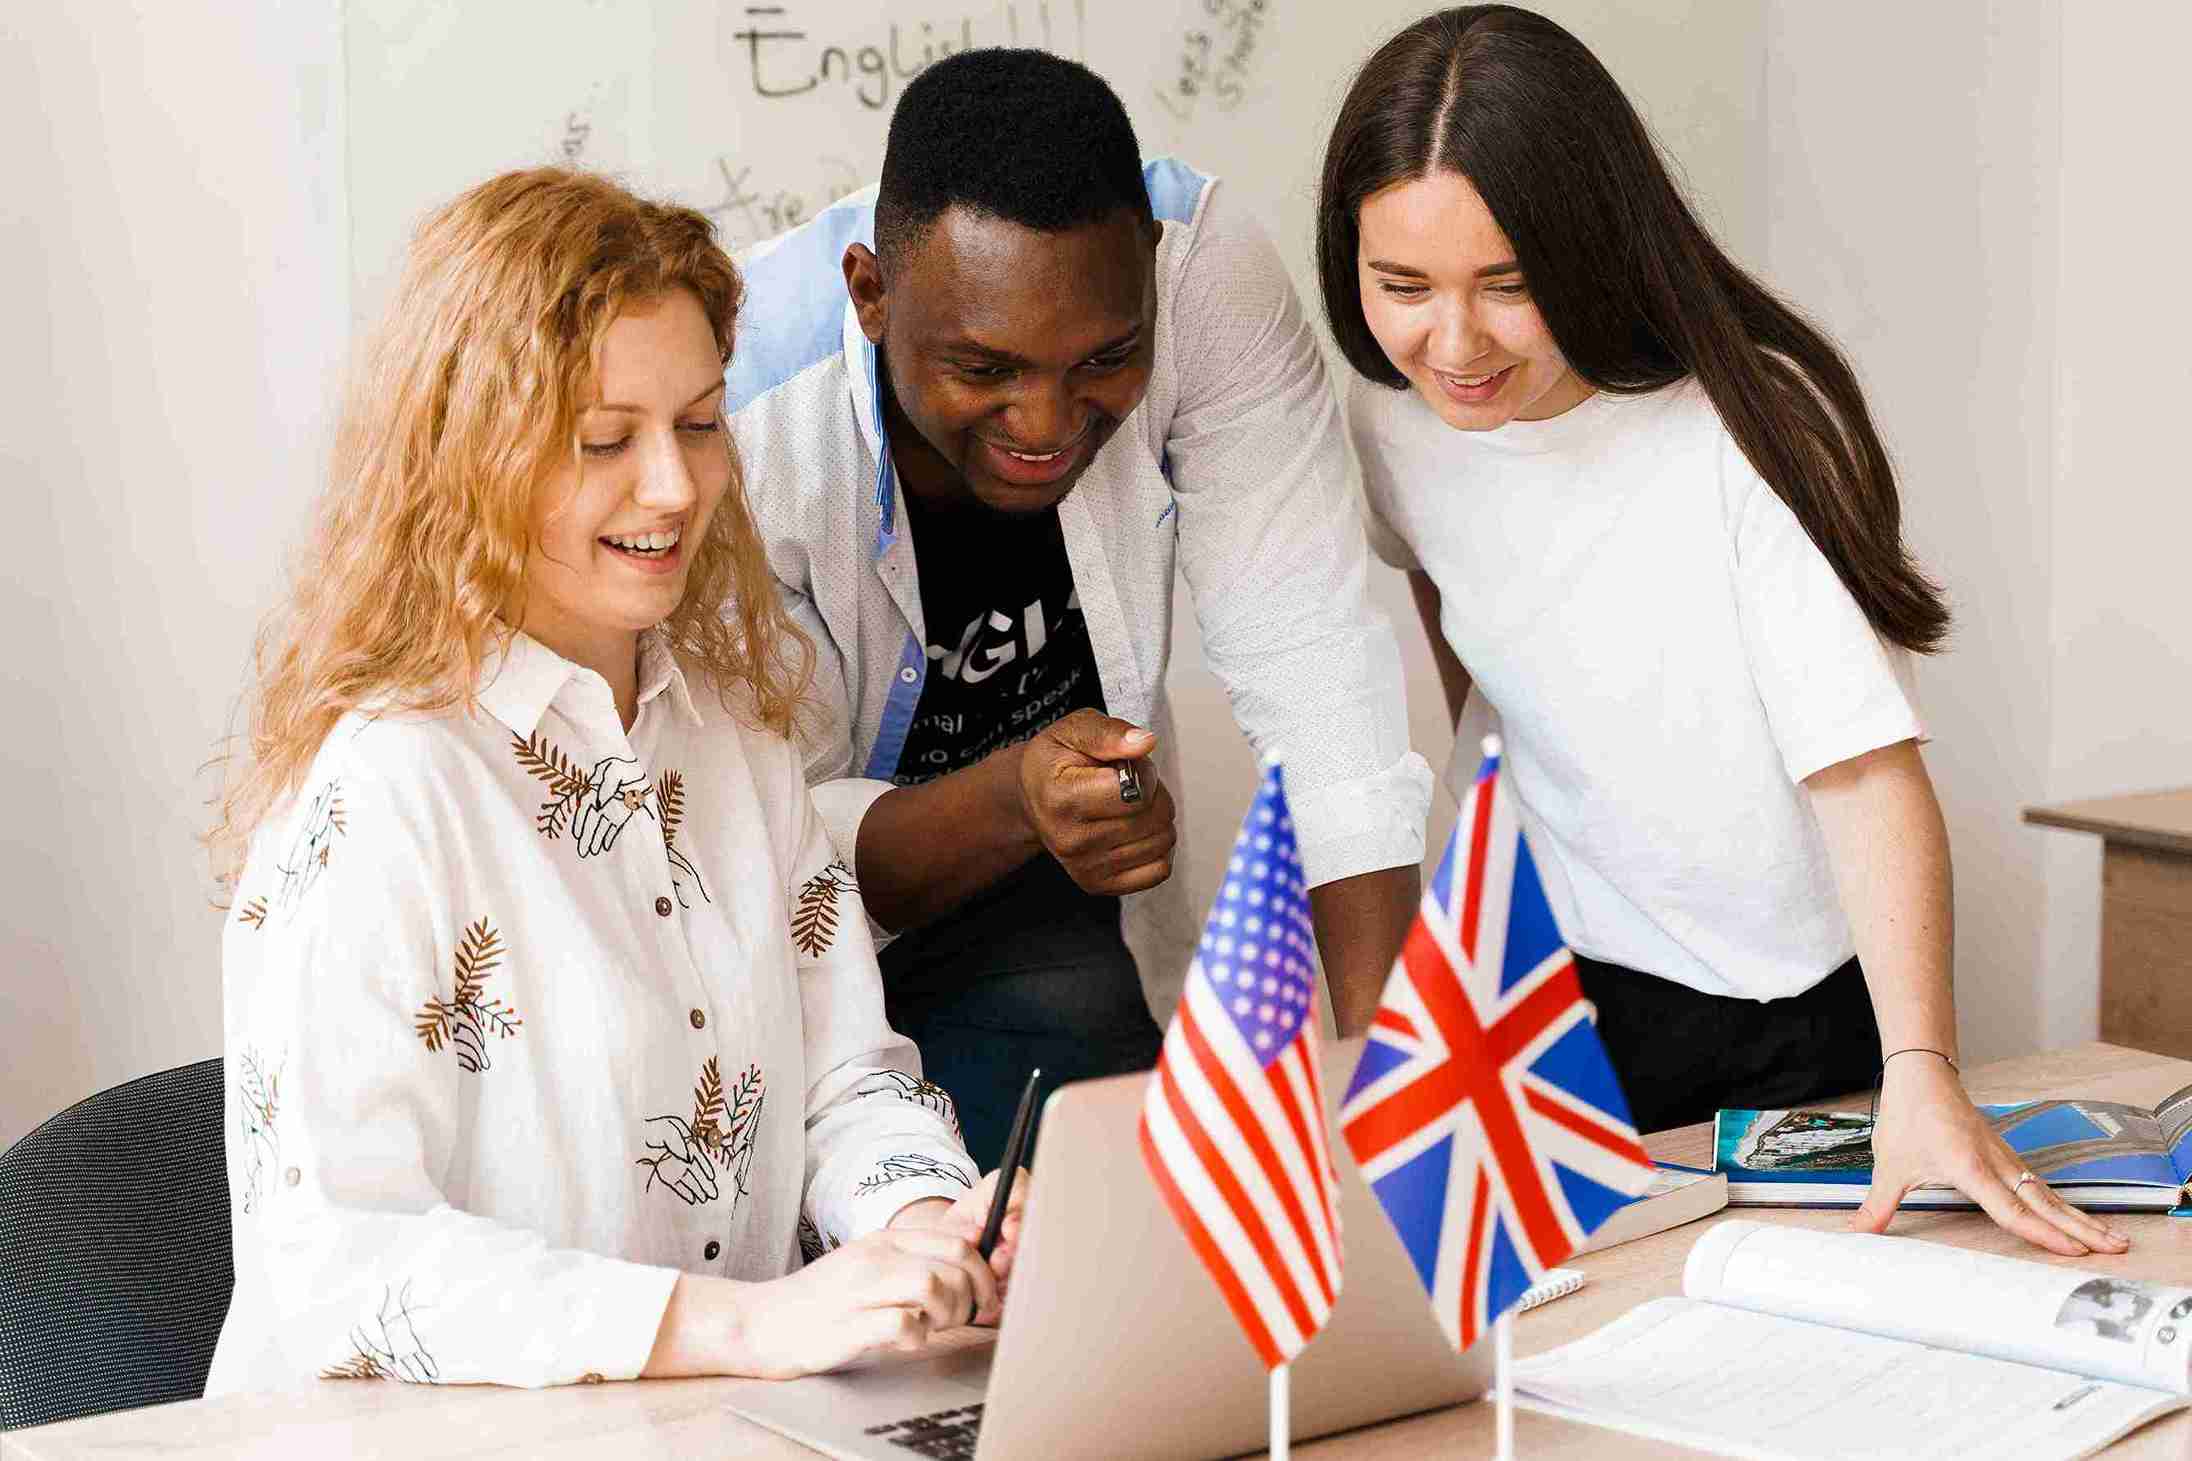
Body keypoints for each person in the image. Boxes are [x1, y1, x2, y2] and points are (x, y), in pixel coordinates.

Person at [1317, 4, 2127, 1257]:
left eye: (1509, 286)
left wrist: (1921, 1066)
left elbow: (1862, 771)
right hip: (1545, 982)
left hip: (1776, 1002)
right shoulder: (1397, 421)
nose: (1452, 342)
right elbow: (1454, 599)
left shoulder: (1748, 426)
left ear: (1588, 251)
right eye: (1401, 287)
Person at [203, 168, 1022, 1392]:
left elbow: (843, 1081)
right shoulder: (384, 786)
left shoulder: (739, 749)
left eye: (698, 423)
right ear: (469, 458)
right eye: (604, 440)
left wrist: (922, 1227)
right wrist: (741, 1327)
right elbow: (339, 1258)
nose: (674, 487)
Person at [729, 48, 1431, 1159]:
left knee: (1098, 1196)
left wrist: (1387, 1102)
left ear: (1149, 269)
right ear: (869, 293)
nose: (1047, 420)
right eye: (983, 368)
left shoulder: (1203, 274)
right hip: (796, 942)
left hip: (1045, 915)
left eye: (1105, 357)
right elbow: (775, 847)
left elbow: (1318, 679)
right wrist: (1017, 790)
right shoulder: (737, 409)